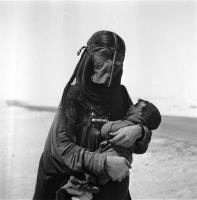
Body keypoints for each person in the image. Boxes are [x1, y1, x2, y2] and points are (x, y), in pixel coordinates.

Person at [33, 30, 152, 200]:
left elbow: (140, 141)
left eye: (117, 62)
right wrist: (103, 163)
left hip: (109, 188)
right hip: (70, 184)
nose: (110, 70)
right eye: (105, 60)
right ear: (90, 59)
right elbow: (61, 146)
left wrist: (139, 132)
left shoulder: (120, 94)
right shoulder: (73, 94)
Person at [60, 98, 161, 198]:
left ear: (140, 113)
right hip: (116, 164)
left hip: (111, 163)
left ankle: (82, 187)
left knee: (91, 175)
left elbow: (106, 130)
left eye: (135, 106)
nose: (131, 105)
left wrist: (141, 131)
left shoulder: (125, 114)